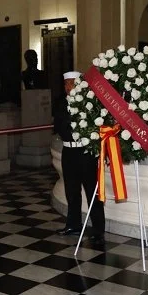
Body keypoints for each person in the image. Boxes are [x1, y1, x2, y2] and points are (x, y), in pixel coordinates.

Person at [54, 71, 105, 247]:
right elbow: (59, 127)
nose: (69, 87)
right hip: (68, 152)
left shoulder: (89, 103)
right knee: (71, 191)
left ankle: (98, 230)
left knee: (92, 192)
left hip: (85, 153)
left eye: (72, 83)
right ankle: (73, 225)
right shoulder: (60, 103)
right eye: (66, 84)